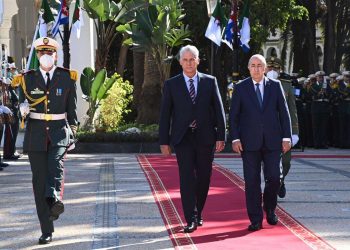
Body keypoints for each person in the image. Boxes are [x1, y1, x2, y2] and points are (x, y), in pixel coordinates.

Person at [11, 37, 78, 244]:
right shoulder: (26, 79)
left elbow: (72, 110)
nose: (46, 56)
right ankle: (46, 228)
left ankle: (55, 200)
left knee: (55, 167)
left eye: (50, 53)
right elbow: (21, 106)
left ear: (55, 55)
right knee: (39, 182)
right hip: (35, 134)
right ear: (38, 56)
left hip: (58, 131)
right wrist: (21, 111)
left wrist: (73, 132)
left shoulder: (67, 77)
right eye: (42, 53)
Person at [159, 45, 226, 233]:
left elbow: (220, 111)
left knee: (204, 177)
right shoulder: (171, 84)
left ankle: (199, 211)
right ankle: (190, 217)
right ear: (180, 62)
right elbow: (165, 114)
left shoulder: (210, 82)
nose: (189, 63)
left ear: (198, 60)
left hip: (206, 137)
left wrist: (221, 136)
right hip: (183, 138)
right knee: (187, 178)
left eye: (192, 59)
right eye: (185, 60)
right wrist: (164, 141)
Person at [229, 54, 291, 231]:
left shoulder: (275, 86)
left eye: (259, 65)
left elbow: (284, 113)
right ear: (248, 68)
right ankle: (255, 219)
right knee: (252, 181)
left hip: (273, 142)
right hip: (249, 143)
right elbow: (234, 116)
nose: (256, 69)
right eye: (253, 65)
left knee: (274, 178)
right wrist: (235, 138)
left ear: (265, 69)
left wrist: (287, 137)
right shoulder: (240, 88)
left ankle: (270, 209)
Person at [265, 58, 299, 198]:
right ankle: (271, 185)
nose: (272, 71)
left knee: (285, 162)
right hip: (266, 130)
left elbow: (292, 109)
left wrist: (295, 131)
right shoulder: (259, 84)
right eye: (270, 68)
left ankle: (281, 180)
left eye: (275, 69)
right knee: (267, 163)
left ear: (279, 70)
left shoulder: (286, 85)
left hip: (283, 130)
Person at [3, 62, 21, 160]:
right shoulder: (7, 81)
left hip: (14, 110)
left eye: (14, 69)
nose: (13, 71)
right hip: (10, 110)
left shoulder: (13, 80)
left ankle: (12, 151)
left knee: (14, 132)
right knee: (10, 133)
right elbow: (14, 96)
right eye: (12, 69)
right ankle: (9, 153)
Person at [310, 71, 331, 148]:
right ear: (316, 77)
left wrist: (325, 93)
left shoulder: (327, 86)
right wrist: (318, 94)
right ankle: (317, 144)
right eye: (319, 77)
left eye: (322, 77)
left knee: (324, 127)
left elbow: (331, 95)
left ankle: (323, 143)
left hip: (324, 108)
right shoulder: (312, 85)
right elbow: (309, 95)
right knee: (316, 127)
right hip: (316, 108)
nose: (321, 78)